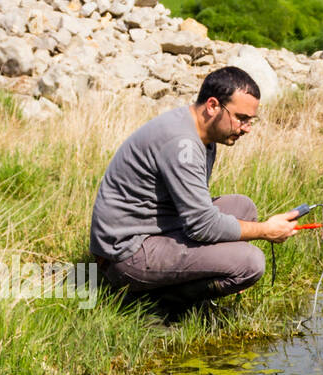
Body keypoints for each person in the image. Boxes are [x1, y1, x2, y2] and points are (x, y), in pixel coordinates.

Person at [89, 66, 303, 313]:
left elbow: (197, 217)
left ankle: (178, 289)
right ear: (212, 106)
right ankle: (156, 307)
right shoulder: (183, 145)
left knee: (243, 207)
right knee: (251, 262)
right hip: (125, 254)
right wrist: (266, 231)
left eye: (251, 121)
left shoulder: (201, 133)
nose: (247, 128)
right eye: (241, 118)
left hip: (156, 228)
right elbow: (202, 225)